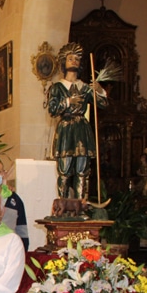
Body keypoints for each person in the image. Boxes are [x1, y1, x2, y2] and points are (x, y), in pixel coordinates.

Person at [47, 42, 108, 200]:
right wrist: (68, 102)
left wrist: (100, 91)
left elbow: (102, 104)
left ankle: (81, 205)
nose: (74, 61)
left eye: (77, 59)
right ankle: (63, 205)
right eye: (70, 58)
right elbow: (52, 110)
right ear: (64, 62)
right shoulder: (57, 87)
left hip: (81, 129)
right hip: (66, 130)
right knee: (65, 171)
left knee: (82, 172)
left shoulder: (86, 87)